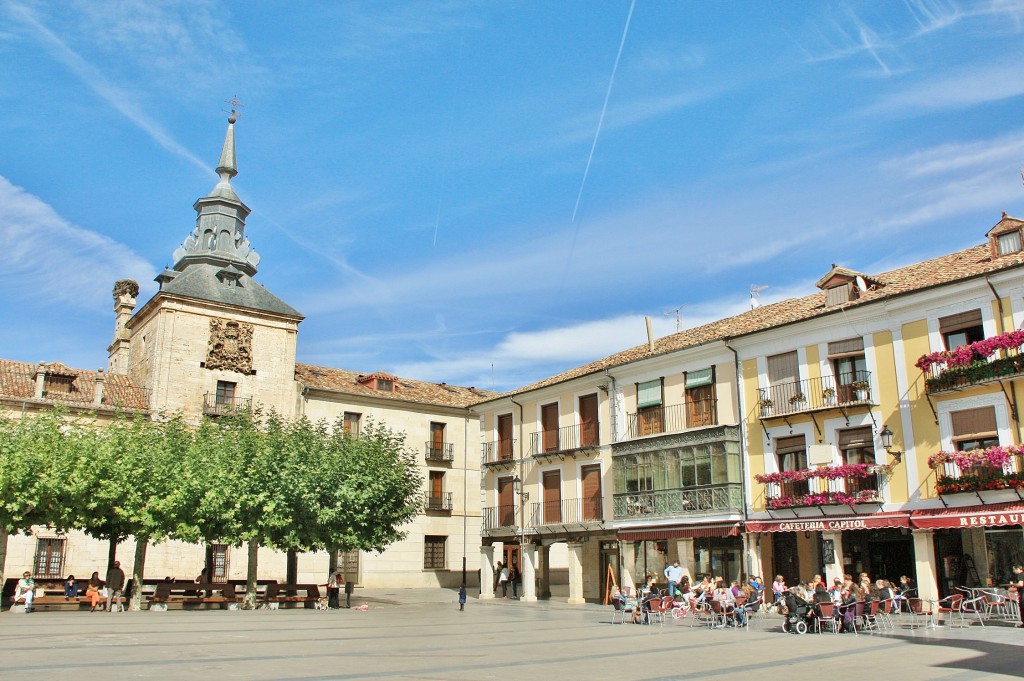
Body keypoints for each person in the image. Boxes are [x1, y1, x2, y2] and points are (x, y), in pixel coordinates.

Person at [1012, 564, 1024, 628]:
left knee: (1022, 608)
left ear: (1018, 569)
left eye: (1014, 569)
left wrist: (1013, 585)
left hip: (1023, 593)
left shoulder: (1020, 575)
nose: (1013, 571)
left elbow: (1020, 584)